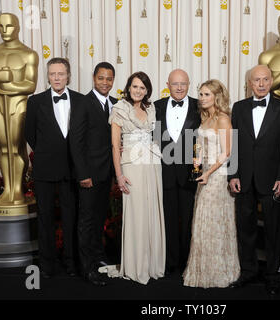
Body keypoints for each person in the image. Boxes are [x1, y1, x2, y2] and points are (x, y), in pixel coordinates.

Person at [228, 65, 280, 295]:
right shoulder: (239, 108)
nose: (262, 84)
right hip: (244, 179)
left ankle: (272, 274)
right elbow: (233, 144)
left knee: (273, 230)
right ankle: (247, 271)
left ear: (272, 80)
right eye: (257, 80)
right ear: (250, 83)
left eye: (266, 79)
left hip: (272, 180)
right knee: (245, 228)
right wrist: (232, 174)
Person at [101, 71, 165, 285]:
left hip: (153, 165)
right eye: (135, 86)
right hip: (131, 165)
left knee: (152, 211)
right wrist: (119, 175)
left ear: (147, 91)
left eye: (142, 88)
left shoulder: (151, 107)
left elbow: (154, 137)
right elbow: (114, 145)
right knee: (137, 213)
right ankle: (136, 265)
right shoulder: (119, 108)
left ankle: (151, 264)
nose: (138, 91)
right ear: (128, 87)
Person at [25, 57, 82, 278]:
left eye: (61, 74)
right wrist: (47, 152)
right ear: (47, 76)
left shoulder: (80, 100)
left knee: (71, 217)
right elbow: (30, 133)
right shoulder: (35, 101)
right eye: (52, 74)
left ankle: (71, 262)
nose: (57, 78)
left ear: (68, 75)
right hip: (45, 169)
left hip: (72, 169)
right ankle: (47, 265)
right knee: (45, 217)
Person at [182, 79, 240, 288]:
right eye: (201, 94)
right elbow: (202, 145)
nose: (202, 98)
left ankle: (219, 272)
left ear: (217, 96)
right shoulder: (205, 118)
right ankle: (202, 271)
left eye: (207, 94)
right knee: (201, 221)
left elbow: (227, 152)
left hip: (217, 176)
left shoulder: (223, 118)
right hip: (205, 173)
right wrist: (198, 160)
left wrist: (209, 173)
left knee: (212, 222)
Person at [69, 62, 118, 286]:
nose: (105, 82)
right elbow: (76, 142)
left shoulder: (117, 104)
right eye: (101, 78)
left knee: (100, 218)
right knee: (87, 221)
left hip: (107, 173)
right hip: (89, 174)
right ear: (93, 78)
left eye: (109, 79)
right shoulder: (82, 103)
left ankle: (98, 257)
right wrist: (83, 174)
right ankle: (87, 267)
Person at [0, 12, 38, 205]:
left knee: (16, 147)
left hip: (19, 105)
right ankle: (7, 190)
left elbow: (30, 86)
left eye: (9, 26)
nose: (5, 31)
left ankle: (18, 191)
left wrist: (6, 85)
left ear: (18, 27)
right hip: (0, 105)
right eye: (1, 26)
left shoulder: (28, 54)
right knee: (4, 148)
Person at [154, 69, 201, 274]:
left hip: (190, 174)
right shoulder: (155, 106)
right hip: (164, 173)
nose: (180, 87)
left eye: (183, 83)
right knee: (168, 219)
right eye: (175, 84)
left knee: (189, 219)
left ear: (189, 84)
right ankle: (170, 261)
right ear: (167, 85)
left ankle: (187, 262)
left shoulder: (200, 106)